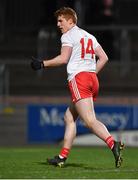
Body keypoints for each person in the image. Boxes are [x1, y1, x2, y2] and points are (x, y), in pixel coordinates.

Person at [31, 7, 124, 168]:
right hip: (91, 79)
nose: (58, 24)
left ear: (71, 21)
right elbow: (104, 58)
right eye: (57, 21)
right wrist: (91, 73)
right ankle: (62, 157)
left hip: (79, 79)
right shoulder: (89, 35)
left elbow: (63, 59)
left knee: (89, 121)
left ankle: (112, 144)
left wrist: (42, 64)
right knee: (69, 117)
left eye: (61, 20)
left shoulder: (68, 35)